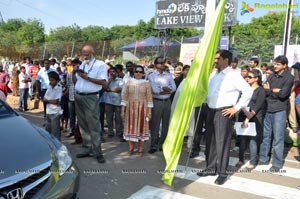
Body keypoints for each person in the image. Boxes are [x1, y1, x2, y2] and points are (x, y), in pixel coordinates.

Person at [197, 50, 253, 185]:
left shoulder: (233, 75)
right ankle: (210, 168)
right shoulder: (213, 75)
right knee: (210, 142)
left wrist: (236, 108)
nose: (215, 61)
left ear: (226, 60)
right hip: (210, 110)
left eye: (217, 58)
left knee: (222, 143)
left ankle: (222, 173)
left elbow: (248, 91)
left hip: (224, 112)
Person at [72, 45, 107, 164]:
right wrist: (75, 73)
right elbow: (78, 80)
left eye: (87, 52)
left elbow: (103, 81)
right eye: (83, 52)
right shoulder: (82, 64)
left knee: (93, 125)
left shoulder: (100, 64)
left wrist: (87, 77)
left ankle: (98, 152)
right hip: (79, 96)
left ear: (93, 52)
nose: (85, 54)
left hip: (91, 97)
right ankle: (87, 148)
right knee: (83, 124)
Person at [259, 55, 294, 172]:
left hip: (279, 110)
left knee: (278, 138)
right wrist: (274, 90)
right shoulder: (272, 76)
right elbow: (265, 89)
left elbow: (284, 94)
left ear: (284, 65)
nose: (275, 66)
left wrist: (271, 90)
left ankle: (277, 164)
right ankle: (264, 158)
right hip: (268, 108)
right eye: (275, 63)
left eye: (278, 64)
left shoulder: (289, 77)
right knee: (266, 136)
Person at [235, 69, 266, 170]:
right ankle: (240, 159)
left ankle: (253, 161)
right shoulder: (245, 89)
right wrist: (244, 111)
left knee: (253, 141)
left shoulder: (261, 90)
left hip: (255, 118)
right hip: (243, 115)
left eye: (250, 77)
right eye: (247, 77)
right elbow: (241, 102)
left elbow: (257, 107)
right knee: (242, 140)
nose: (247, 79)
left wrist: (247, 119)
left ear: (256, 78)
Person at [121, 65, 153, 157]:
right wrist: (122, 110)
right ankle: (131, 148)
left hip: (143, 108)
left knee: (141, 128)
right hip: (130, 109)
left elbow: (149, 98)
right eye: (137, 71)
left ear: (143, 74)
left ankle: (140, 149)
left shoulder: (146, 83)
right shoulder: (129, 83)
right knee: (130, 127)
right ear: (134, 73)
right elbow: (125, 97)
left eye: (140, 72)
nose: (138, 73)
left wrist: (149, 112)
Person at [148, 57, 176, 154]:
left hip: (167, 101)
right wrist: (166, 90)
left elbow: (174, 88)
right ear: (155, 64)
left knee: (165, 124)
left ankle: (162, 144)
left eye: (163, 63)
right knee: (155, 124)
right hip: (157, 102)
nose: (162, 64)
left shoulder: (168, 75)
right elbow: (155, 90)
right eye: (160, 63)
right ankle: (153, 145)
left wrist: (163, 90)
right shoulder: (151, 76)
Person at [105, 67, 124, 141]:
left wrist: (109, 90)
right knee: (109, 118)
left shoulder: (120, 80)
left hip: (117, 102)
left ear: (116, 72)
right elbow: (104, 88)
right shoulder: (107, 80)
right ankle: (110, 132)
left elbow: (119, 89)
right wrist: (109, 81)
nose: (112, 73)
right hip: (108, 101)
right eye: (111, 72)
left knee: (118, 119)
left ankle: (119, 133)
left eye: (113, 71)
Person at [43, 71, 62, 141]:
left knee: (55, 131)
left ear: (56, 80)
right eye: (49, 80)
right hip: (48, 111)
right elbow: (44, 98)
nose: (50, 82)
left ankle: (57, 146)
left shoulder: (59, 88)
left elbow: (57, 101)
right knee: (48, 130)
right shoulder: (49, 87)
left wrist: (48, 101)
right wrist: (50, 101)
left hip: (55, 112)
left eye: (52, 80)